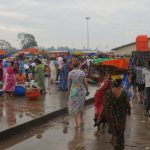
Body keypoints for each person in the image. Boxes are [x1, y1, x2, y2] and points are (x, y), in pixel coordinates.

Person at [104, 79, 131, 150]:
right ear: (120, 84)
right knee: (121, 132)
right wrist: (129, 109)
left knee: (114, 131)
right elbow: (127, 104)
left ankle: (115, 143)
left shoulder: (108, 92)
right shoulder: (124, 93)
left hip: (112, 117)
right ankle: (119, 146)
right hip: (121, 117)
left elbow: (105, 105)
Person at [68, 60, 89, 128]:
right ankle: (81, 118)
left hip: (74, 90)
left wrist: (69, 92)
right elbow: (85, 83)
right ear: (79, 65)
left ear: (72, 65)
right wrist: (87, 90)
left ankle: (76, 123)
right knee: (81, 105)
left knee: (74, 106)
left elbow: (69, 84)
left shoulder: (70, 73)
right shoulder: (82, 73)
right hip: (81, 91)